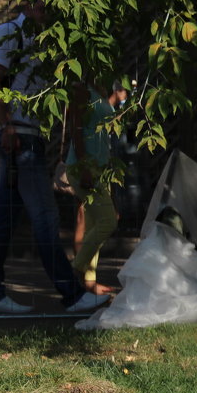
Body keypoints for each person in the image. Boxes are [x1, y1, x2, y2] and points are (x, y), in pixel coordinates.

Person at [0, 0, 110, 315]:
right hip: (19, 138)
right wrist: (7, 125)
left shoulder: (48, 41)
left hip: (28, 136)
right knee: (45, 219)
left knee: (3, 222)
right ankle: (73, 295)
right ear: (26, 5)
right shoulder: (9, 34)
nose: (49, 10)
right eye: (42, 4)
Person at [66, 81, 127, 296]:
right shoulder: (81, 87)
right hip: (86, 168)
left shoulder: (99, 88)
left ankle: (89, 283)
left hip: (100, 169)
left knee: (96, 223)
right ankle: (73, 270)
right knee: (106, 222)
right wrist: (83, 168)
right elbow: (76, 128)